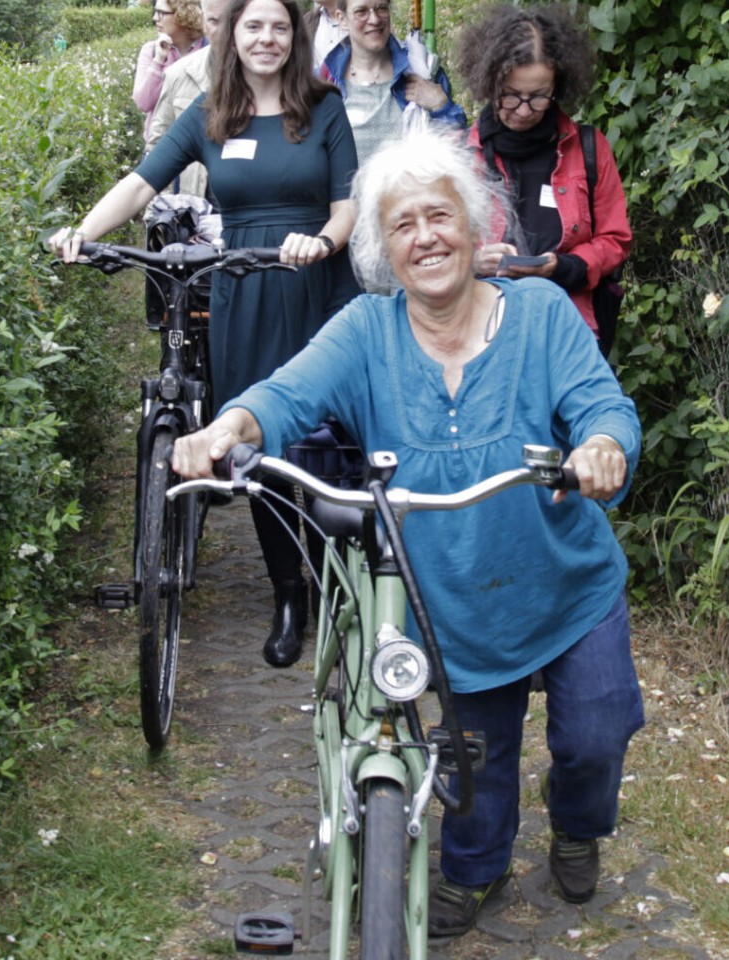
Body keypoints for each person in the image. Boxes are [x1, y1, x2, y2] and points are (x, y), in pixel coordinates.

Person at [173, 131, 644, 937]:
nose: (425, 236)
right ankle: (474, 867)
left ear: (474, 222)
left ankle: (578, 826)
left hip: (566, 582)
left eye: (440, 215)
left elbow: (604, 407)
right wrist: (230, 427)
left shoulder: (538, 315)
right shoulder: (366, 330)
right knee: (474, 760)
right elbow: (286, 395)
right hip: (451, 601)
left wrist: (601, 445)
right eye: (402, 225)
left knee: (596, 733)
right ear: (383, 248)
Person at [49, 0, 361, 669]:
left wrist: (325, 243)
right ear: (232, 36)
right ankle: (290, 596)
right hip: (244, 289)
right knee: (259, 445)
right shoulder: (212, 113)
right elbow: (141, 183)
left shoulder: (324, 107)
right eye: (253, 28)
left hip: (314, 282)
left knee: (328, 442)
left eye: (279, 27)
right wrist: (82, 231)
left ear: (295, 35)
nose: (266, 39)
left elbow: (346, 205)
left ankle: (338, 580)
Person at [457, 3, 632, 346]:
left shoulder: (589, 149)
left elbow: (615, 240)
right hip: (480, 332)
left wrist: (561, 267)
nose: (523, 110)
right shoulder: (459, 157)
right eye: (510, 96)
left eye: (538, 97)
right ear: (489, 83)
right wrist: (473, 261)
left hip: (566, 332)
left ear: (559, 87)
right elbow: (433, 246)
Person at [320, 0, 466, 161]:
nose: (374, 19)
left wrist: (442, 106)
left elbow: (456, 148)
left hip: (412, 189)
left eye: (381, 9)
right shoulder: (327, 79)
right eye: (361, 11)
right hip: (348, 191)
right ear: (342, 18)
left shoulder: (422, 69)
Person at [144, 0, 246, 196]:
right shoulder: (180, 73)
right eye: (214, 20)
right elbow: (157, 148)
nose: (224, 29)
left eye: (232, 19)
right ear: (203, 23)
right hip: (196, 204)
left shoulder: (272, 76)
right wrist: (159, 218)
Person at [132, 0, 205, 145]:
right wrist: (159, 60)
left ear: (182, 15)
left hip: (198, 151)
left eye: (161, 13)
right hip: (160, 147)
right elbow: (143, 102)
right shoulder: (150, 50)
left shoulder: (207, 50)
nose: (155, 18)